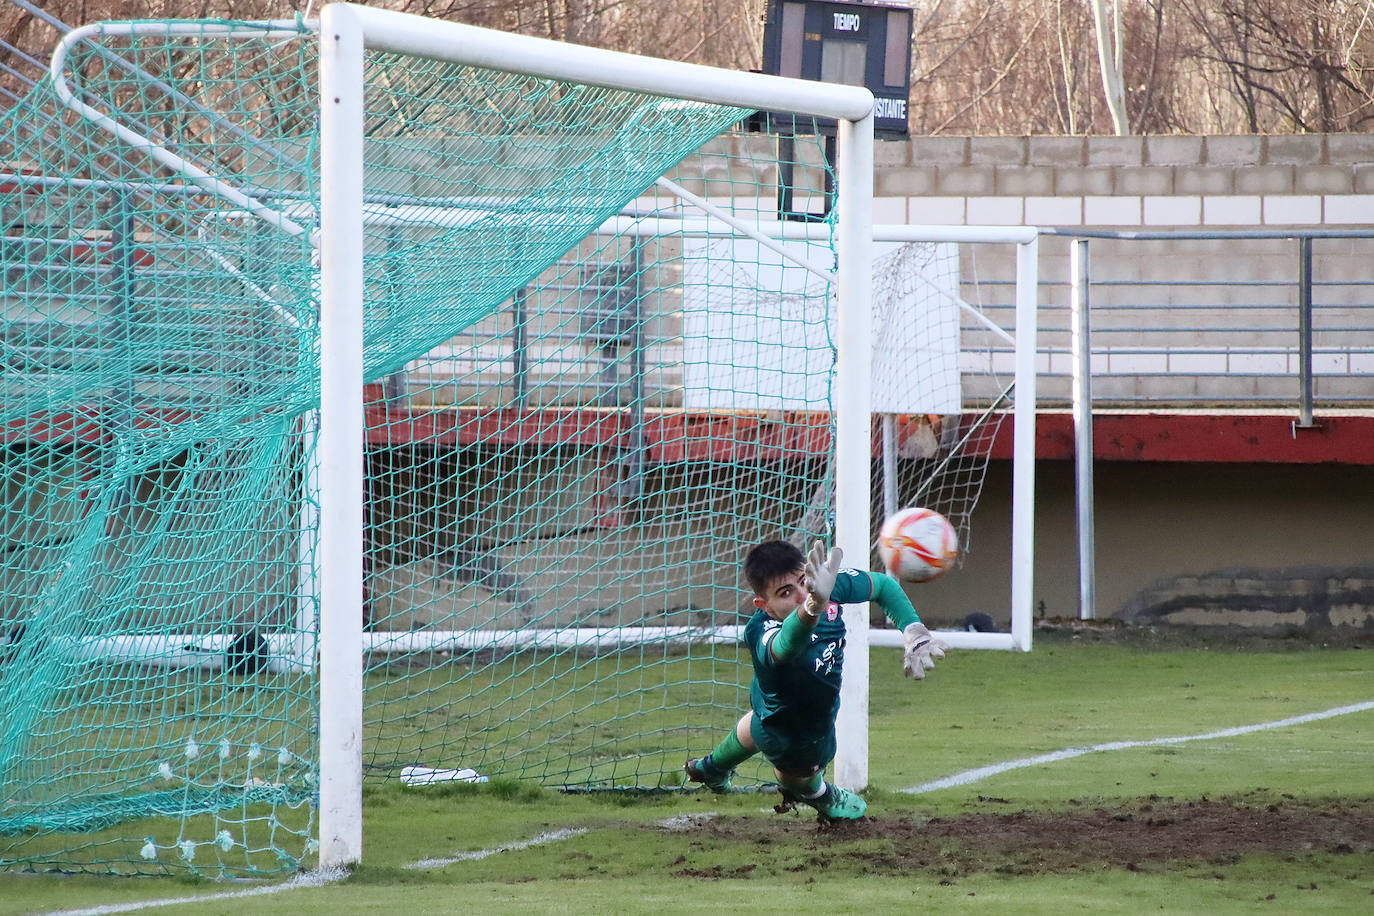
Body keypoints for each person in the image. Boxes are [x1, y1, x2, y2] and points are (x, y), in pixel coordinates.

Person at [684, 539, 947, 821]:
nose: (802, 593)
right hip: (793, 735)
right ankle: (817, 793)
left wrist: (913, 630)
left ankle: (710, 768)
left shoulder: (824, 586)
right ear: (764, 605)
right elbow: (785, 645)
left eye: (803, 581)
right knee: (798, 774)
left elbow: (882, 586)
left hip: (772, 704)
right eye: (786, 592)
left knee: (757, 724)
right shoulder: (760, 629)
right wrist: (811, 609)